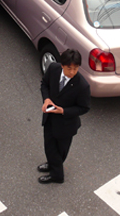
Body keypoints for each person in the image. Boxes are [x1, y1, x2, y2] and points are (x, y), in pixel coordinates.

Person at [38, 49, 90, 184]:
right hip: (50, 118)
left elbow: (84, 108)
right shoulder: (53, 69)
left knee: (60, 151)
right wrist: (46, 99)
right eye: (69, 68)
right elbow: (44, 84)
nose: (72, 72)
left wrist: (63, 111)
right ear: (62, 65)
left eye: (76, 68)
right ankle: (52, 164)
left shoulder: (82, 86)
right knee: (49, 146)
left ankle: (57, 176)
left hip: (66, 125)